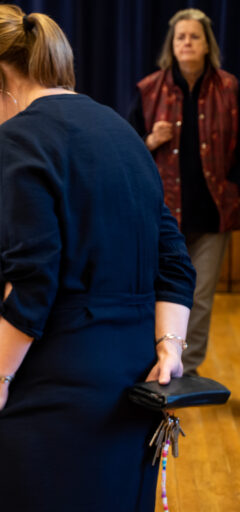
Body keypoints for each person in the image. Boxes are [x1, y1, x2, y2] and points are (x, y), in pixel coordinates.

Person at [0, 5, 196, 510]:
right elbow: (174, 258)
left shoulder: (17, 139)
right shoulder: (122, 133)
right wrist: (169, 350)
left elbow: (32, 281)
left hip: (51, 379)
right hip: (133, 377)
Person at [128, 8, 240, 376]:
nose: (187, 42)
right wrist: (150, 140)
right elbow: (125, 152)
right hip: (162, 216)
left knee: (201, 298)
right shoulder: (149, 89)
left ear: (208, 44)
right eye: (180, 37)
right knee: (157, 292)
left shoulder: (229, 89)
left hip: (212, 214)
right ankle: (154, 362)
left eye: (194, 36)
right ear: (171, 46)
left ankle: (184, 372)